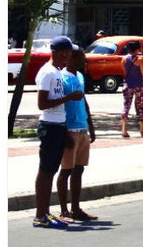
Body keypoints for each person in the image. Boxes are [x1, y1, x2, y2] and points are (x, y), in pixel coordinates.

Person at [33, 36, 84, 228]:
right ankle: (40, 215)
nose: (70, 55)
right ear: (61, 52)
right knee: (46, 170)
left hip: (58, 125)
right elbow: (42, 104)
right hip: (50, 126)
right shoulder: (48, 73)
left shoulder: (55, 72)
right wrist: (69, 97)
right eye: (69, 52)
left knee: (51, 170)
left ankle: (45, 212)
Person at [56, 45, 97, 222]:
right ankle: (64, 210)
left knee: (79, 169)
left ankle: (76, 208)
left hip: (82, 128)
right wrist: (64, 132)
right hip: (69, 129)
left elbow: (84, 101)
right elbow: (58, 106)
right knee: (66, 170)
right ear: (71, 58)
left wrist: (91, 125)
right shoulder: (61, 78)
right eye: (81, 57)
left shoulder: (80, 76)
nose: (84, 60)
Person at [120, 41, 143, 138]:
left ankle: (123, 130)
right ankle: (142, 129)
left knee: (126, 105)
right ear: (137, 49)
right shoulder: (139, 60)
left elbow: (124, 72)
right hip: (138, 85)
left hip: (128, 85)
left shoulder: (123, 59)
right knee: (141, 107)